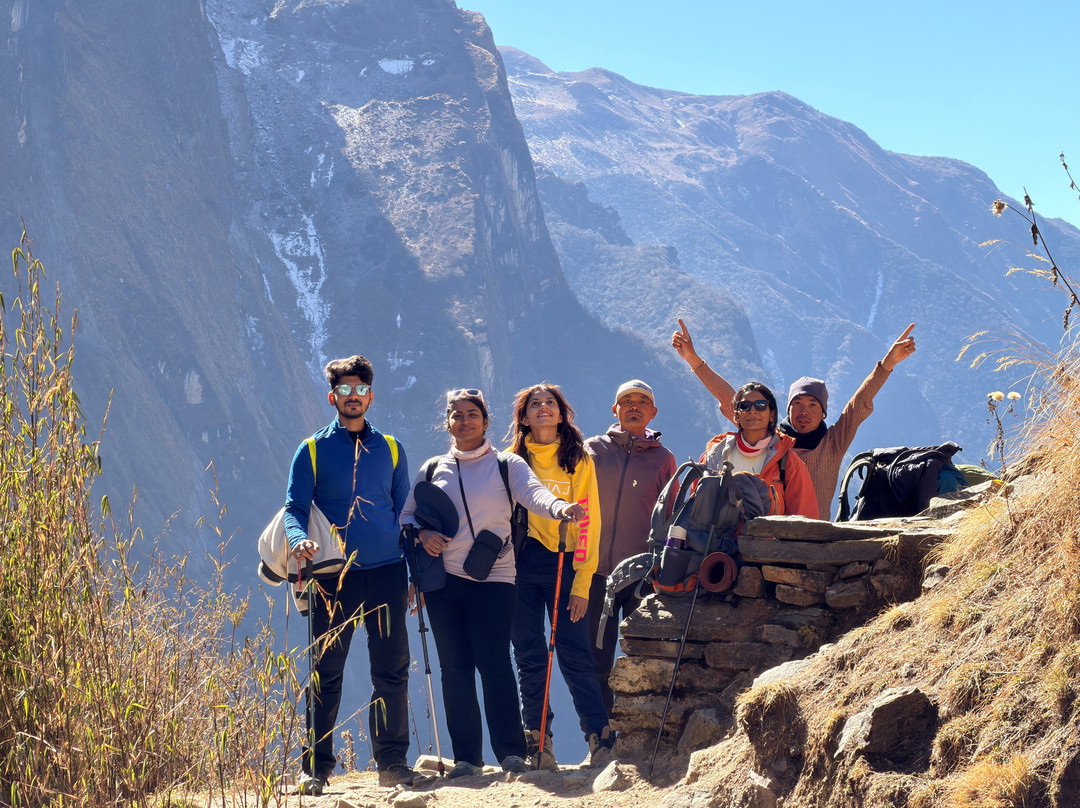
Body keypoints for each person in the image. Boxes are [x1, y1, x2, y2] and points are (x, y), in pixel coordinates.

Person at [400, 388, 585, 779]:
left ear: (485, 421)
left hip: (497, 578)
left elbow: (534, 494)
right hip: (444, 581)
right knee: (455, 667)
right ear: (446, 422)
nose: (464, 421)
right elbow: (407, 515)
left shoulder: (507, 464)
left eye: (472, 414)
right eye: (457, 415)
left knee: (495, 662)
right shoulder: (433, 468)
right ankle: (467, 757)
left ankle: (510, 753)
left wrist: (560, 509)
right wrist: (421, 536)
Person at [284, 355, 419, 795]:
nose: (353, 397)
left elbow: (406, 515)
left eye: (360, 390)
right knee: (325, 670)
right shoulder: (311, 451)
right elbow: (294, 509)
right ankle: (315, 768)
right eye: (345, 390)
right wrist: (298, 537)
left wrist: (413, 575)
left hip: (387, 573)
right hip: (332, 577)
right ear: (332, 397)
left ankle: (392, 763)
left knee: (391, 669)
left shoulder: (392, 449)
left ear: (370, 396)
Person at [673, 318, 917, 519]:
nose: (804, 411)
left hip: (813, 540)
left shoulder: (832, 443)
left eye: (813, 405)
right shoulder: (771, 441)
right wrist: (694, 361)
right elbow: (732, 401)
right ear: (786, 409)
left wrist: (888, 363)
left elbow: (858, 404)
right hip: (763, 537)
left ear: (823, 412)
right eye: (797, 404)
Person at [505, 383, 614, 770]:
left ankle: (599, 737)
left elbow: (590, 523)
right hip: (520, 562)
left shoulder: (578, 459)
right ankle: (538, 741)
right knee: (530, 654)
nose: (543, 409)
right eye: (534, 404)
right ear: (524, 417)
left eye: (550, 403)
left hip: (565, 563)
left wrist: (582, 584)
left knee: (573, 651)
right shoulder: (511, 461)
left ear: (561, 413)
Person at [584, 380, 677, 715]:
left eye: (642, 401)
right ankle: (601, 736)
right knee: (595, 660)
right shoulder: (591, 450)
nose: (634, 406)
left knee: (643, 657)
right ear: (615, 410)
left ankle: (636, 731)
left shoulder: (664, 460)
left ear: (652, 412)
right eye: (627, 401)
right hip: (594, 575)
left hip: (641, 576)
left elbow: (671, 516)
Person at [702, 382, 818, 519]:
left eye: (761, 405)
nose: (752, 411)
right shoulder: (716, 455)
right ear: (736, 415)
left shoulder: (789, 463)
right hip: (715, 539)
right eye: (744, 406)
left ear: (772, 415)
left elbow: (804, 519)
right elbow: (697, 508)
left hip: (766, 540)